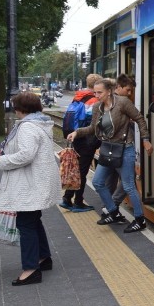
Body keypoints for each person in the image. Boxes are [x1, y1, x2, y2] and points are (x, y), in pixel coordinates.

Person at [67, 78, 153, 233]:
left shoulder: (122, 103)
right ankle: (114, 212)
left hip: (124, 148)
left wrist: (145, 139)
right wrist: (77, 132)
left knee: (128, 185)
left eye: (99, 92)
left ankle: (140, 220)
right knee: (98, 182)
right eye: (95, 92)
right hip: (107, 149)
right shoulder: (97, 107)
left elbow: (139, 119)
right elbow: (93, 128)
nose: (96, 95)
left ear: (109, 91)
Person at [0, 91, 60, 286]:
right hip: (36, 181)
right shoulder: (40, 123)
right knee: (33, 219)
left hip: (30, 183)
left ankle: (31, 269)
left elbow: (25, 155)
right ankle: (43, 258)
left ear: (20, 108)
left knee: (26, 224)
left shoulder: (27, 127)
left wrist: (2, 160)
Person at [60, 73, 102, 212]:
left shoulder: (78, 97)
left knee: (77, 169)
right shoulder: (93, 100)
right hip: (86, 138)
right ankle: (78, 202)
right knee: (82, 171)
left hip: (76, 136)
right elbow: (94, 122)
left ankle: (67, 198)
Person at [111, 73, 138, 207]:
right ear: (118, 87)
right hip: (119, 146)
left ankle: (110, 207)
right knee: (129, 179)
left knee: (106, 179)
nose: (129, 93)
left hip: (112, 147)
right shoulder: (121, 102)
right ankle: (112, 206)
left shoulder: (113, 100)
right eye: (128, 90)